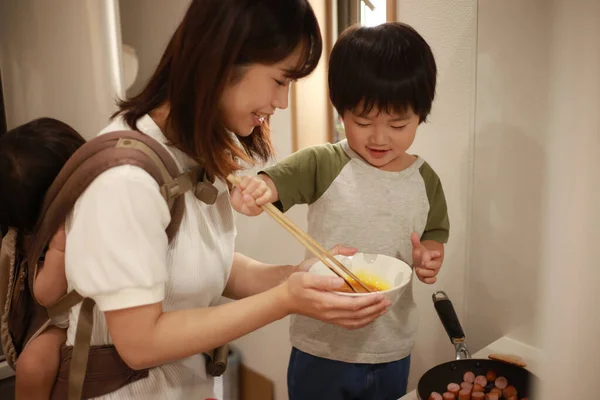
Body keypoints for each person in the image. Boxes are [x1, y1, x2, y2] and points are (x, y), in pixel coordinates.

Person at [63, 1, 391, 399]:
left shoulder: (189, 149)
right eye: (280, 80)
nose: (282, 103)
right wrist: (285, 300)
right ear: (225, 58)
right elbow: (140, 344)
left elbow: (205, 263)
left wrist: (295, 277)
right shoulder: (125, 180)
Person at [234, 22, 450, 400]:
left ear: (421, 115)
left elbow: (434, 234)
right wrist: (257, 190)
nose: (379, 138)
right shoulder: (325, 162)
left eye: (398, 124)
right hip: (321, 346)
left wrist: (430, 257)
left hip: (392, 346)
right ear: (341, 112)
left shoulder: (425, 179)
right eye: (362, 122)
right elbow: (272, 185)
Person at [0, 117, 86, 400]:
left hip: (119, 309)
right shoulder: (44, 240)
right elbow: (48, 296)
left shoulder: (106, 202)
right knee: (32, 364)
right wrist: (58, 251)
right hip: (65, 321)